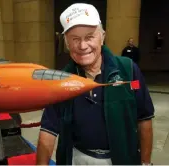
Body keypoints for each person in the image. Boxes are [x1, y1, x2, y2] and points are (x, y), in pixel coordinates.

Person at [36, 3, 154, 165]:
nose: (83, 46)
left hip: (123, 159)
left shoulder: (128, 70)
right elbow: (48, 130)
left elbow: (144, 118)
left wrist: (146, 163)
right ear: (67, 43)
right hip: (77, 159)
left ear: (102, 36)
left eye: (89, 37)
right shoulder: (60, 80)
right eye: (75, 39)